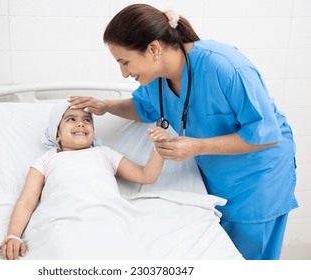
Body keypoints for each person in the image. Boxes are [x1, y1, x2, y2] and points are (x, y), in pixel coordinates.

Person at [68, 4, 298, 260]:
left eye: (125, 62)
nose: (124, 73)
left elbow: (265, 134)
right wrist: (106, 106)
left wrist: (197, 147)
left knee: (250, 262)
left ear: (153, 48)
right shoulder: (156, 77)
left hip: (258, 179)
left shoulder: (224, 66)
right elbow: (143, 107)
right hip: (217, 178)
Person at [0, 100, 168, 260]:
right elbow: (27, 200)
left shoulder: (105, 153)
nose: (81, 123)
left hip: (106, 216)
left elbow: (147, 175)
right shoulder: (46, 160)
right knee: (66, 252)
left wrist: (159, 147)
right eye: (71, 119)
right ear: (56, 134)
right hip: (63, 219)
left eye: (87, 119)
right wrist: (13, 235)